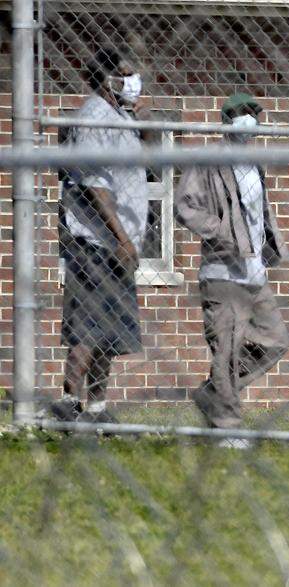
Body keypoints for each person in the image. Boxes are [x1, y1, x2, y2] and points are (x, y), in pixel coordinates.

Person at [175, 94, 289, 445]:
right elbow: (185, 207)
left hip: (254, 272)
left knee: (275, 340)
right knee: (225, 349)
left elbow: (259, 216)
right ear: (227, 120)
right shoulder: (209, 159)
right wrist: (222, 231)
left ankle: (214, 391)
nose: (250, 121)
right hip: (222, 272)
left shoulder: (253, 163)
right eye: (243, 115)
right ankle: (227, 428)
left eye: (254, 115)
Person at [48, 48, 149, 425]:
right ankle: (68, 403)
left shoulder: (119, 116)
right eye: (124, 74)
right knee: (88, 327)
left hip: (117, 244)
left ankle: (96, 408)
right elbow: (95, 186)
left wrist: (145, 123)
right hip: (96, 243)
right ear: (106, 79)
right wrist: (121, 238)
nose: (132, 81)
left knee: (108, 330)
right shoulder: (93, 115)